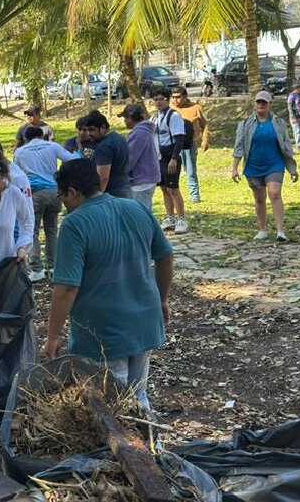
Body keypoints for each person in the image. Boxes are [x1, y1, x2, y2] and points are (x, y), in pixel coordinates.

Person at [43, 159, 174, 413]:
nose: (63, 205)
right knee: (137, 396)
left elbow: (66, 289)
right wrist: (162, 299)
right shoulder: (135, 208)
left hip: (103, 332)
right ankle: (149, 445)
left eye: (62, 196)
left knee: (111, 407)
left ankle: (128, 449)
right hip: (144, 321)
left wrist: (52, 336)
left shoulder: (74, 224)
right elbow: (165, 257)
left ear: (72, 192)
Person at [231, 91, 299, 242]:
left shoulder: (278, 123)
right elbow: (239, 146)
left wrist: (292, 168)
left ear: (270, 105)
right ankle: (262, 229)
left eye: (264, 102)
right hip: (253, 165)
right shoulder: (245, 124)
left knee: (274, 193)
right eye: (258, 102)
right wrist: (235, 168)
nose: (261, 105)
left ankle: (281, 231)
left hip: (274, 164)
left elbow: (286, 145)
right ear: (254, 104)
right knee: (259, 199)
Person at [14, 125, 76, 281]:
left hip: (34, 194)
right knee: (52, 230)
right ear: (42, 135)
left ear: (25, 138)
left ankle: (37, 268)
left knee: (32, 231)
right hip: (54, 192)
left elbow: (17, 175)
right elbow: (72, 159)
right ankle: (53, 267)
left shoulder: (20, 152)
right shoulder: (52, 146)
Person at [151, 91, 188, 233]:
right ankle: (170, 217)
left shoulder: (174, 116)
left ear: (168, 100)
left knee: (173, 188)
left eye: (161, 99)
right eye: (156, 99)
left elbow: (179, 138)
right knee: (164, 188)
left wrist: (174, 158)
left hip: (170, 157)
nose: (158, 102)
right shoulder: (155, 117)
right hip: (159, 157)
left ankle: (181, 219)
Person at [120, 103, 160, 217]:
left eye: (125, 118)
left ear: (131, 118)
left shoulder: (139, 133)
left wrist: (121, 172)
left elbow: (130, 159)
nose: (125, 121)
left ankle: (146, 234)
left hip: (141, 179)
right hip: (147, 178)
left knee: (140, 215)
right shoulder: (143, 131)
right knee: (144, 212)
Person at [170, 86, 208, 203]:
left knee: (191, 171)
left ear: (185, 97)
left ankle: (195, 196)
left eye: (178, 97)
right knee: (172, 171)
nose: (176, 100)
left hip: (188, 144)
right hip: (173, 145)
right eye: (173, 97)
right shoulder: (170, 109)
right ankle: (173, 195)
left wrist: (205, 139)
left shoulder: (195, 108)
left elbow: (205, 124)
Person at [81, 110, 130, 198]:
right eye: (87, 130)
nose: (89, 134)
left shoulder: (104, 146)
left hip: (112, 194)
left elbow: (103, 177)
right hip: (125, 188)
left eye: (92, 130)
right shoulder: (119, 138)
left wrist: (96, 197)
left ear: (103, 128)